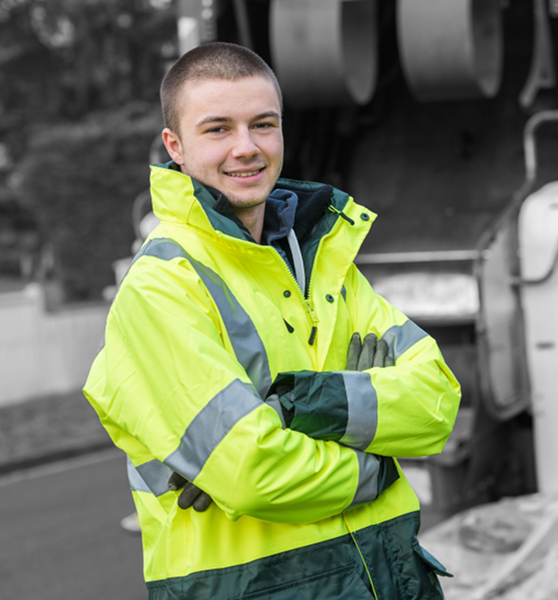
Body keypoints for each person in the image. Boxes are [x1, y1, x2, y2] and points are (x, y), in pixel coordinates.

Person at [84, 41, 460, 599]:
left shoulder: (323, 264)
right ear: (175, 146)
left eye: (263, 124)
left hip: (388, 574)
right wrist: (375, 465)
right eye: (217, 129)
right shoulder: (163, 285)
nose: (246, 148)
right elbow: (252, 472)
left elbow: (436, 402)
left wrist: (293, 407)